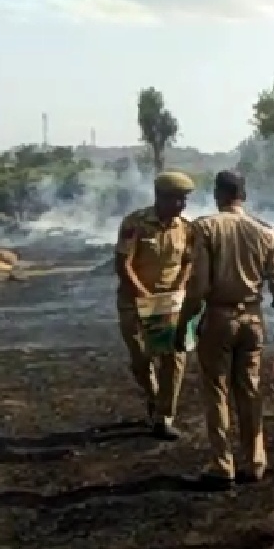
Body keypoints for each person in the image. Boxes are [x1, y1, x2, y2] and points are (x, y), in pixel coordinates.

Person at [176, 170, 274, 491]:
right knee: (249, 392)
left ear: (218, 195)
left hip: (218, 319)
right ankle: (255, 460)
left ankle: (222, 464)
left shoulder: (205, 228)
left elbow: (198, 287)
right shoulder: (265, 233)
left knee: (216, 391)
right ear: (243, 196)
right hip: (252, 321)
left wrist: (184, 325)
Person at [115, 170, 196, 441]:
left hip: (168, 303)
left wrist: (181, 287)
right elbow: (123, 264)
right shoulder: (135, 224)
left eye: (184, 200)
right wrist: (143, 295)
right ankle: (153, 398)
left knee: (173, 358)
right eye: (176, 199)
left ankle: (164, 416)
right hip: (134, 302)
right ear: (160, 197)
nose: (181, 205)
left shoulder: (186, 228)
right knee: (141, 359)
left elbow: (188, 262)